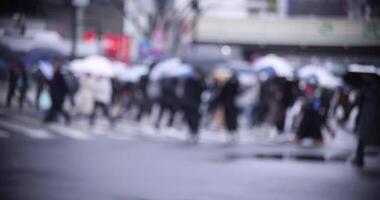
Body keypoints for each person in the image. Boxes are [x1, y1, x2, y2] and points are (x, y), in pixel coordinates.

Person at [352, 74, 380, 167]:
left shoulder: (365, 89)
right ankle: (359, 158)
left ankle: (359, 158)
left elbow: (357, 102)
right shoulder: (376, 89)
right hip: (375, 116)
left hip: (366, 115)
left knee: (362, 137)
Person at [294, 79, 324, 146]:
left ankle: (319, 139)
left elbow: (316, 102)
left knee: (315, 126)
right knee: (304, 125)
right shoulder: (309, 90)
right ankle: (298, 138)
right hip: (309, 111)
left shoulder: (316, 91)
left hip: (313, 111)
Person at [215, 73, 241, 143]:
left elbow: (221, 95)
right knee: (230, 119)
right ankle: (231, 132)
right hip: (229, 105)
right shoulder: (229, 85)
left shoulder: (235, 85)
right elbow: (222, 95)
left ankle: (233, 132)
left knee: (232, 119)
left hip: (232, 105)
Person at [182, 68, 206, 143]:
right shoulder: (188, 80)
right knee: (189, 118)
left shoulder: (200, 82)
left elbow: (204, 90)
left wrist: (201, 81)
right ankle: (191, 131)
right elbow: (185, 91)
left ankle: (195, 132)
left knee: (195, 119)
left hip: (196, 103)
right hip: (188, 103)